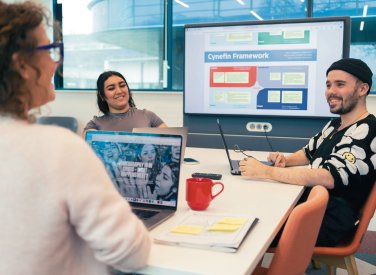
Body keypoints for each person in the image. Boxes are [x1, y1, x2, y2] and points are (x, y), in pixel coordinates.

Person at [0, 1, 151, 274]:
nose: (56, 60)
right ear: (21, 65)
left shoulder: (145, 114)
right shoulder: (59, 147)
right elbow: (131, 253)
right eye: (49, 49)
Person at [239, 58, 376, 246]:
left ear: (362, 89)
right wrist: (285, 160)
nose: (331, 91)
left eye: (340, 84)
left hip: (329, 218)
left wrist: (267, 171)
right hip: (313, 207)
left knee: (251, 230)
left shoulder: (369, 129)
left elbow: (328, 177)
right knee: (250, 212)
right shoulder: (337, 123)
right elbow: (308, 153)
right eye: (328, 85)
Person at [83, 70, 167, 135]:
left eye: (122, 85)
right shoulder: (94, 125)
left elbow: (172, 141)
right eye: (111, 88)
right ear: (102, 96)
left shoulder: (148, 115)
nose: (119, 91)